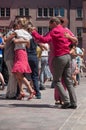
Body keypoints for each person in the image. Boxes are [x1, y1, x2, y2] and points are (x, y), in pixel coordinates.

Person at [30, 16, 78, 109]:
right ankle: (74, 102)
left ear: (54, 23)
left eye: (50, 24)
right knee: (68, 81)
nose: (50, 26)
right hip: (68, 56)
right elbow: (75, 40)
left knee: (57, 80)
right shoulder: (66, 31)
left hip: (59, 57)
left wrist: (34, 32)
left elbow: (44, 40)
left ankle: (66, 101)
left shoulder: (54, 31)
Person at [10, 18, 36, 100]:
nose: (16, 25)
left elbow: (11, 40)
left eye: (18, 23)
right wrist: (23, 41)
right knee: (18, 75)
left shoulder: (18, 32)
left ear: (20, 25)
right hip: (21, 53)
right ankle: (21, 92)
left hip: (20, 53)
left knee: (19, 74)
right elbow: (28, 45)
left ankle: (31, 90)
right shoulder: (27, 34)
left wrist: (17, 40)